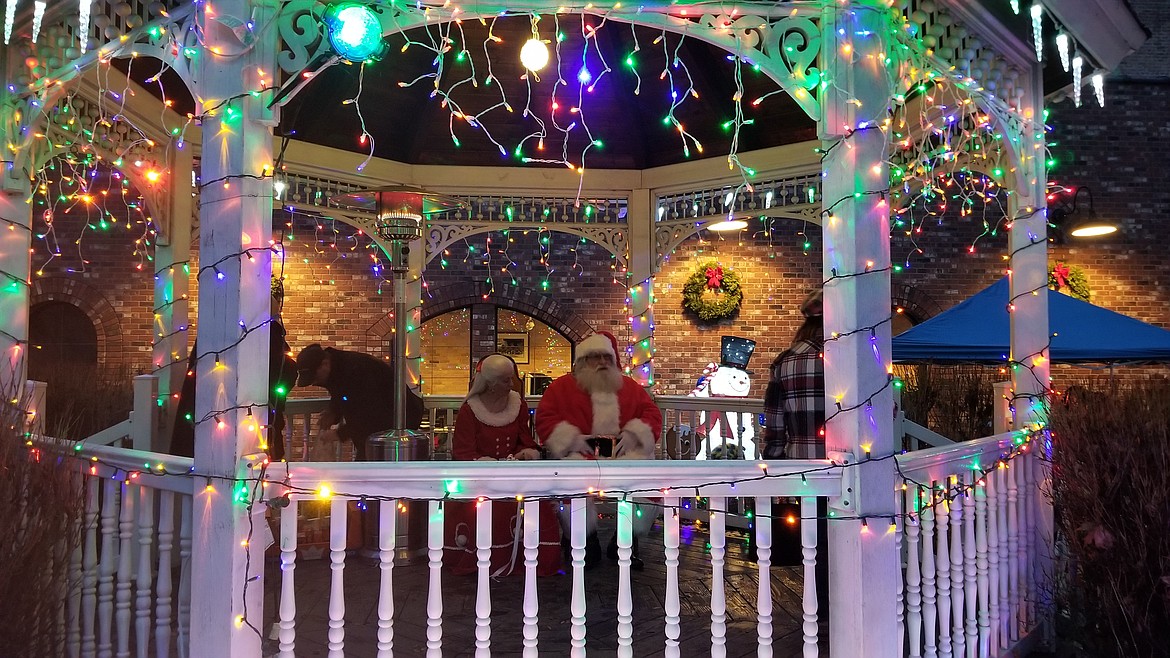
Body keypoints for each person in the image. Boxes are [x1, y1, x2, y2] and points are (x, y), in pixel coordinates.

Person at [534, 330, 662, 569]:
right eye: (596, 357)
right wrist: (571, 439)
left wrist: (633, 434)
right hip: (579, 455)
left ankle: (626, 540)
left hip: (621, 455)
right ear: (583, 361)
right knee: (571, 477)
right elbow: (545, 418)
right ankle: (582, 540)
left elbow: (651, 414)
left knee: (644, 477)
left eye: (607, 357)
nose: (603, 362)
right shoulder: (561, 387)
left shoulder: (629, 387)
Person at [443, 354, 562, 576]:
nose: (511, 384)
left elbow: (524, 440)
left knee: (539, 504)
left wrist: (524, 455)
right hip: (480, 480)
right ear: (490, 384)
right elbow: (463, 452)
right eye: (505, 380)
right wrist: (490, 466)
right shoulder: (470, 411)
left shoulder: (518, 405)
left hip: (513, 475)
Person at [754, 288, 828, 601]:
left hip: (805, 470)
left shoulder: (785, 363)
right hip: (855, 466)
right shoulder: (851, 358)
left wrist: (774, 460)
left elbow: (774, 426)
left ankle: (820, 606)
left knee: (815, 542)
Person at [170, 279, 297, 460]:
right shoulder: (262, 333)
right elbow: (286, 371)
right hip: (245, 428)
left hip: (216, 429)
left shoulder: (214, 330)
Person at [294, 344, 424, 460]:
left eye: (315, 377)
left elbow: (369, 412)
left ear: (325, 363)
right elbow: (341, 394)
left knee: (373, 472)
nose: (315, 382)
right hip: (376, 429)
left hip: (396, 424)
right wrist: (333, 412)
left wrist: (339, 434)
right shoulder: (337, 369)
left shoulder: (357, 370)